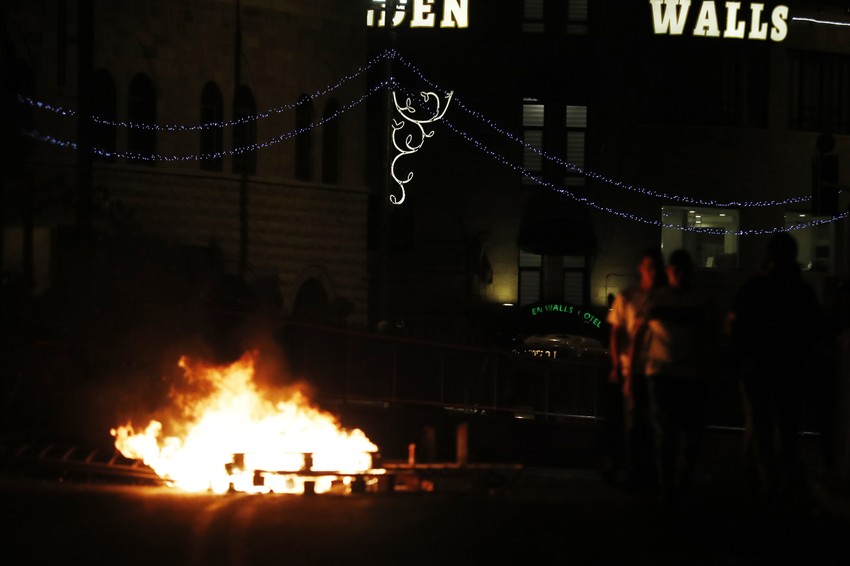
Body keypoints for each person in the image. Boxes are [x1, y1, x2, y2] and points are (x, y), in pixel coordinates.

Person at [728, 232, 825, 501]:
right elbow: (816, 332)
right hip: (790, 371)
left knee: (761, 427)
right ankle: (782, 482)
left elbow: (736, 328)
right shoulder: (802, 292)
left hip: (758, 369)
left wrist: (741, 359)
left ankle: (765, 479)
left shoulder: (755, 288)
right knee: (788, 428)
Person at [632, 249, 715, 505]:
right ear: (669, 272)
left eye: (682, 269)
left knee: (687, 434)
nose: (678, 274)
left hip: (686, 374)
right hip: (664, 374)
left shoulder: (698, 299)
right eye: (675, 269)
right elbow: (639, 334)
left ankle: (679, 482)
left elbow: (710, 336)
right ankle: (670, 485)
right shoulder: (658, 298)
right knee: (668, 432)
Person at [604, 247, 667, 488]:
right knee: (632, 421)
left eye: (655, 267)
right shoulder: (629, 296)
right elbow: (616, 332)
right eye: (648, 266)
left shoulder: (661, 296)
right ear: (641, 268)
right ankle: (635, 469)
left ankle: (642, 470)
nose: (652, 272)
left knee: (646, 421)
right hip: (632, 367)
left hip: (654, 367)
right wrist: (616, 365)